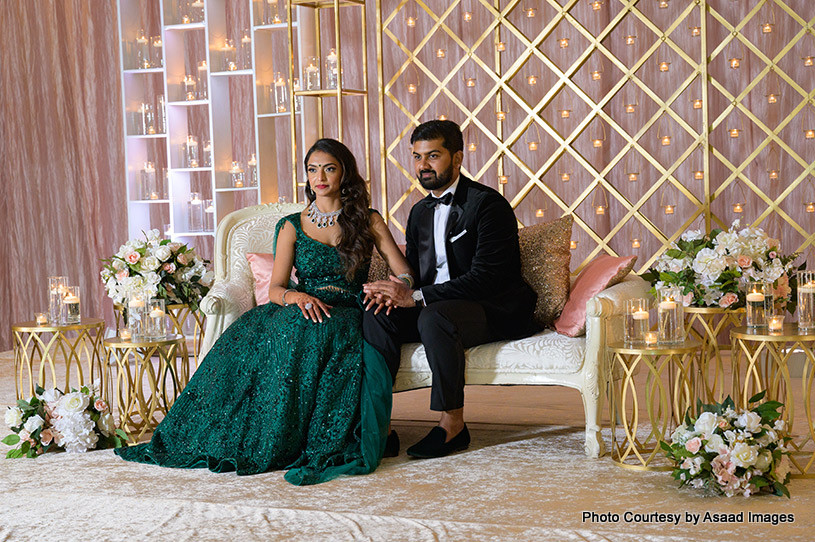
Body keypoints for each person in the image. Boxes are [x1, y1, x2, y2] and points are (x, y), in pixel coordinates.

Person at [116, 138, 412, 485]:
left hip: (347, 309)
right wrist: (297, 298)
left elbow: (403, 270)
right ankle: (266, 433)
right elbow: (275, 288)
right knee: (286, 331)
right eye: (313, 169)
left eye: (329, 168)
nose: (320, 176)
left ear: (344, 172)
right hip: (299, 304)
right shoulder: (290, 225)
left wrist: (397, 286)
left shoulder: (368, 220)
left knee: (325, 332)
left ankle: (307, 435)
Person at [362, 120, 537, 459]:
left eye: (433, 156)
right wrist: (399, 289)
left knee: (435, 317)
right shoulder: (418, 212)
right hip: (436, 305)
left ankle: (452, 425)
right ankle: (381, 428)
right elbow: (416, 272)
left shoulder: (488, 205)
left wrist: (416, 298)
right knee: (376, 311)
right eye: (416, 157)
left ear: (457, 158)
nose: (422, 166)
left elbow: (486, 278)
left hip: (490, 308)